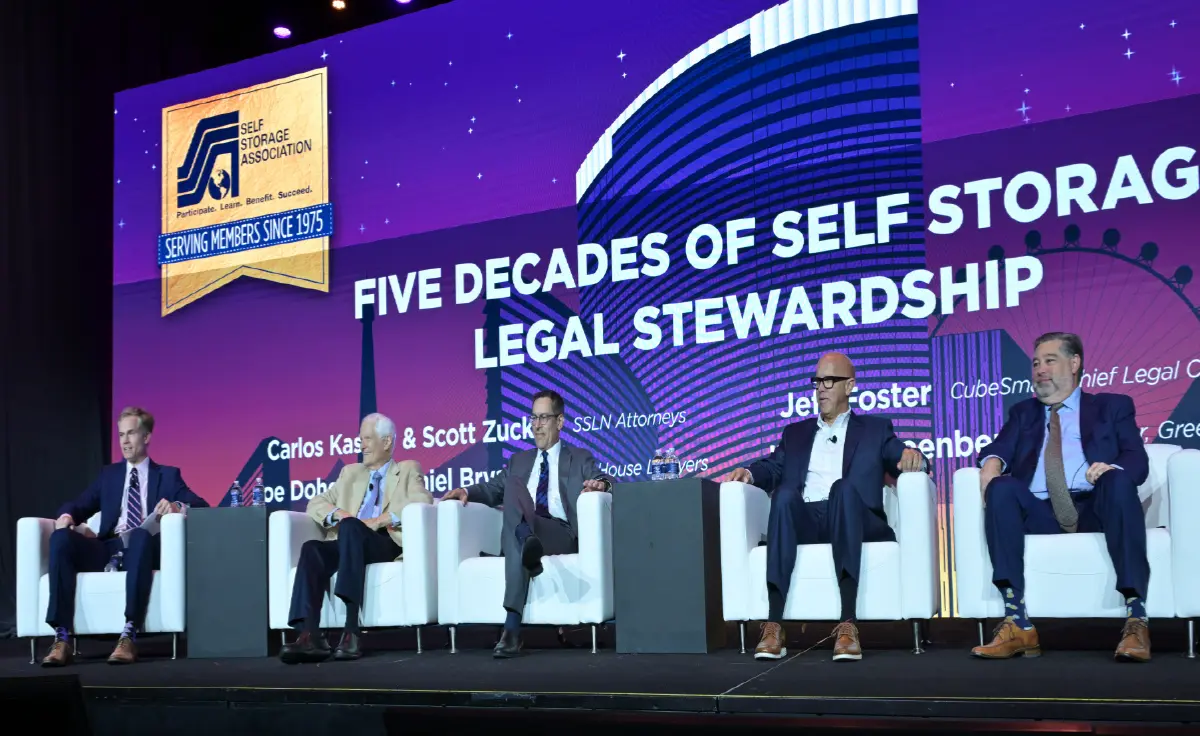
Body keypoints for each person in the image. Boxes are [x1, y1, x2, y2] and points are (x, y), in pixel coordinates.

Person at [726, 352, 927, 662]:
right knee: (783, 496)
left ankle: (847, 625)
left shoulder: (875, 429)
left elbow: (898, 453)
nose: (821, 388)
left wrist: (913, 458)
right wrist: (750, 474)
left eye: (829, 381)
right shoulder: (796, 433)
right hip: (809, 518)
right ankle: (774, 625)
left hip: (854, 515)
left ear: (849, 386)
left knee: (843, 489)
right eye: (817, 381)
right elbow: (774, 466)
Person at [972, 332, 1151, 662]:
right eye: (1036, 362)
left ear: (1074, 363)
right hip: (1040, 513)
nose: (1040, 368)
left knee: (1119, 481)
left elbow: (1137, 460)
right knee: (1001, 488)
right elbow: (998, 447)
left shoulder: (1112, 406)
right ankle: (1018, 623)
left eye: (1049, 360)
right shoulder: (1023, 413)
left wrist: (1110, 468)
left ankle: (1136, 619)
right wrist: (992, 462)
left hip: (1095, 504)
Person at [442, 389, 614, 658]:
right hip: (526, 527)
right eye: (533, 418)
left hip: (558, 532)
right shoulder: (518, 461)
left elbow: (607, 480)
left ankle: (511, 627)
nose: (536, 425)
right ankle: (512, 626)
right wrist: (467, 491)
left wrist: (600, 484)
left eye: (544, 418)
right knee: (512, 487)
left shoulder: (578, 457)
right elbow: (492, 489)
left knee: (516, 533)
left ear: (560, 422)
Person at [41, 407, 208, 667]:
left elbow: (201, 505)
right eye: (121, 435)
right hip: (109, 546)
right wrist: (66, 517)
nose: (125, 441)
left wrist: (177, 507)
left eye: (131, 433)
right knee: (61, 540)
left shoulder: (167, 476)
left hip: (143, 546)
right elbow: (79, 504)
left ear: (147, 437)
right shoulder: (109, 476)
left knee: (141, 535)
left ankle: (129, 634)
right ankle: (61, 638)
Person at [279, 413, 430, 664]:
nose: (362, 445)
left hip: (383, 543)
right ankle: (310, 635)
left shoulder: (407, 470)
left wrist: (380, 519)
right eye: (360, 439)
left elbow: (422, 501)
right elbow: (316, 503)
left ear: (387, 442)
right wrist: (339, 514)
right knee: (312, 549)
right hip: (349, 538)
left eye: (368, 439)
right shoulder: (350, 473)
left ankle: (351, 630)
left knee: (351, 529)